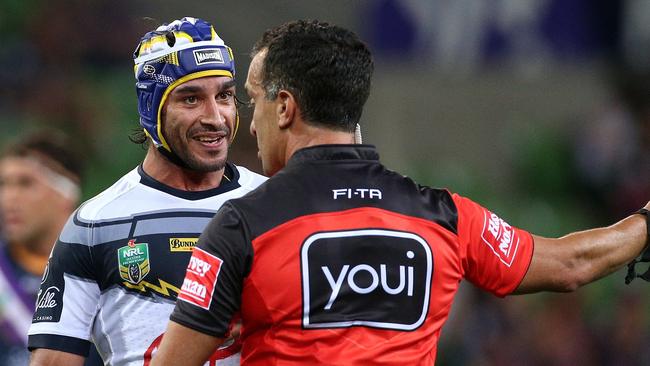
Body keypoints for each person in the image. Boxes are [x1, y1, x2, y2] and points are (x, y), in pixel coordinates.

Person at [151, 20, 650, 365]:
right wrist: (645, 222)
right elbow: (570, 264)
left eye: (253, 98)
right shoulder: (445, 217)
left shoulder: (241, 226)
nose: (249, 121)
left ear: (284, 107)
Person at [27, 17, 266, 366]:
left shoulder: (273, 204)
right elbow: (53, 360)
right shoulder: (95, 224)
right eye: (191, 99)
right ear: (150, 109)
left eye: (225, 95)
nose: (216, 117)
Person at [0, 131, 102, 366]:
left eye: (25, 183)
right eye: (3, 184)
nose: (9, 198)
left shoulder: (103, 272)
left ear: (66, 194)